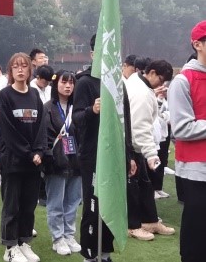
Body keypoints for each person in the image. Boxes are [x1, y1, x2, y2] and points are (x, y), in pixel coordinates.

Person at [0, 52, 46, 262]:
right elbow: (7, 130)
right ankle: (10, 248)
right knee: (12, 206)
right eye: (15, 66)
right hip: (14, 162)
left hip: (33, 163)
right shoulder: (6, 95)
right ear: (10, 71)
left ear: (30, 69)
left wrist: (39, 151)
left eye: (24, 66)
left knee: (28, 206)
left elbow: (41, 125)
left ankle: (24, 242)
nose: (20, 69)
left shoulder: (35, 95)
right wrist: (28, 153)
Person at [72, 35, 114, 262]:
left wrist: (128, 155)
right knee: (92, 205)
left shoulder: (116, 82)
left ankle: (105, 252)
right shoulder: (85, 82)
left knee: (110, 205)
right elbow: (77, 118)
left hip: (113, 154)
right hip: (92, 154)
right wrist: (92, 110)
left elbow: (124, 121)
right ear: (92, 54)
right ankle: (89, 254)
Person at [124, 59, 175, 240]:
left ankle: (150, 220)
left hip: (137, 146)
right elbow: (140, 127)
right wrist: (151, 153)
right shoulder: (141, 92)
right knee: (133, 186)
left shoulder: (140, 84)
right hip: (131, 146)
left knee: (145, 185)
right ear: (151, 72)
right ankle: (133, 225)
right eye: (160, 79)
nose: (161, 84)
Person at [169, 20, 206, 262]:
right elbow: (182, 128)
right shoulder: (183, 81)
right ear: (197, 44)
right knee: (196, 238)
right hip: (197, 172)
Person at [43, 70, 82, 256]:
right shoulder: (48, 108)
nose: (68, 86)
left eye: (71, 83)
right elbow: (45, 136)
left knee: (73, 202)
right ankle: (57, 237)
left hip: (76, 161)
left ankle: (69, 234)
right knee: (56, 203)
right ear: (55, 84)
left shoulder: (79, 107)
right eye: (63, 82)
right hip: (56, 162)